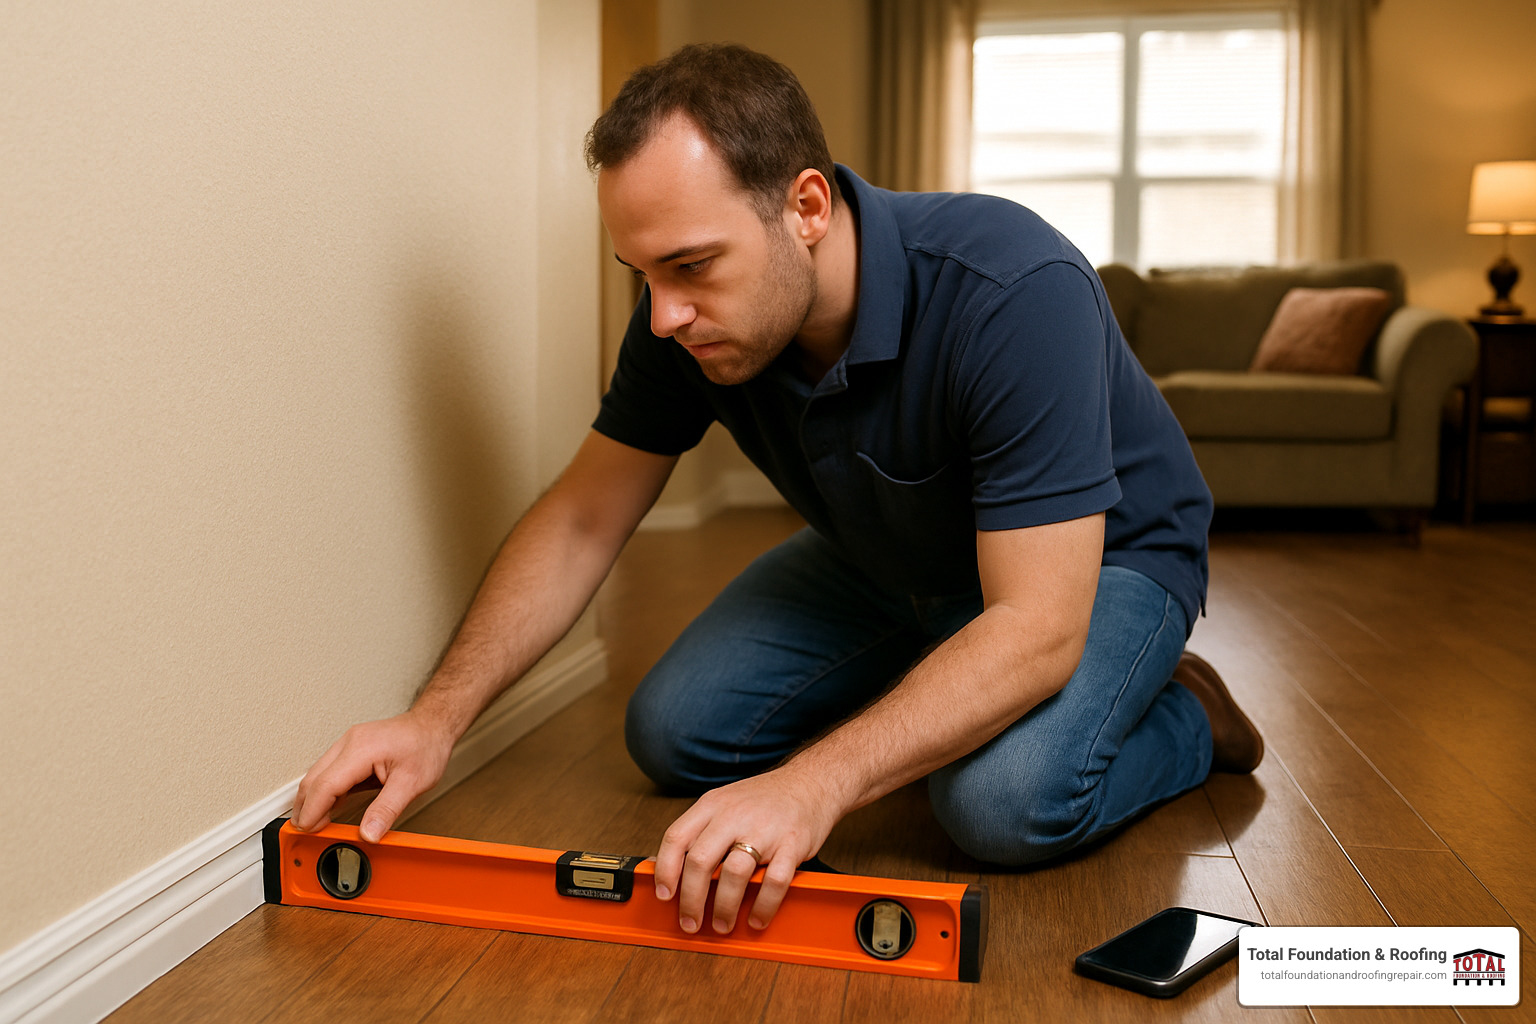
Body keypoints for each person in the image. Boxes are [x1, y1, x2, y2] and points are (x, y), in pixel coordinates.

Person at [292, 42, 1263, 942]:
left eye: (690, 266)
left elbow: (1038, 622)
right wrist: (434, 719)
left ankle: (1183, 714)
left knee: (999, 804)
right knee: (673, 733)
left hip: (1098, 563)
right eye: (639, 272)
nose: (663, 313)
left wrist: (813, 786)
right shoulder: (681, 320)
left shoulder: (1011, 285)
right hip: (890, 555)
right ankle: (947, 688)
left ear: (805, 208)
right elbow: (584, 516)